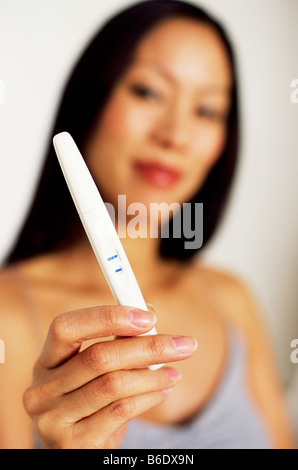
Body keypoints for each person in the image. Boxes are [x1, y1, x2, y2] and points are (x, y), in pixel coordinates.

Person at [0, 0, 294, 449]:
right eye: (148, 92)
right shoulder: (8, 313)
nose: (174, 135)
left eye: (208, 110)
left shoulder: (232, 298)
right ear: (89, 101)